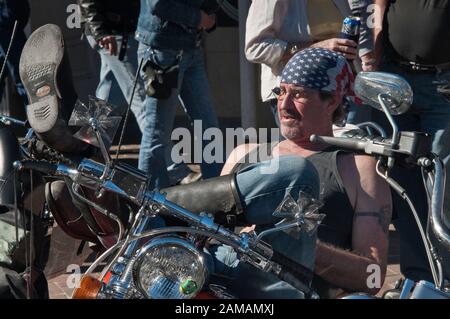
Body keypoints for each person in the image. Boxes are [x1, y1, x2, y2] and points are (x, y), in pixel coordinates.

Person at [162, 48, 392, 298]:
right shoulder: (245, 153)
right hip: (223, 286)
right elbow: (203, 231)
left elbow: (373, 277)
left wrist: (293, 246)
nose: (284, 104)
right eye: (281, 91)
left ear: (332, 100)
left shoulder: (358, 168)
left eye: (299, 94)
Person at [373, 0, 450, 283]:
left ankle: (445, 276)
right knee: (402, 181)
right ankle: (420, 276)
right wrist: (377, 44)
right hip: (396, 78)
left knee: (441, 183)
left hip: (442, 83)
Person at [78, 0, 196, 185]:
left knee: (108, 96)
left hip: (121, 30)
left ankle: (80, 153)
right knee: (143, 100)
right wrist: (100, 29)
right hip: (114, 33)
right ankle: (175, 170)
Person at [245, 0, 376, 127]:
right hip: (296, 96)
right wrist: (316, 48)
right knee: (304, 148)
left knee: (349, 147)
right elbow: (255, 48)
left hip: (341, 91)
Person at [134, 0, 222, 189]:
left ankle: (218, 196)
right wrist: (200, 18)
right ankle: (148, 205)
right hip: (161, 51)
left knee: (208, 125)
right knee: (157, 131)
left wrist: (208, 15)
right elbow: (157, 4)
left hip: (189, 48)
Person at [0, 0, 30, 107]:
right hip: (8, 26)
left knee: (23, 77)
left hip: (11, 26)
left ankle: (36, 118)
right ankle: (36, 118)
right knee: (23, 78)